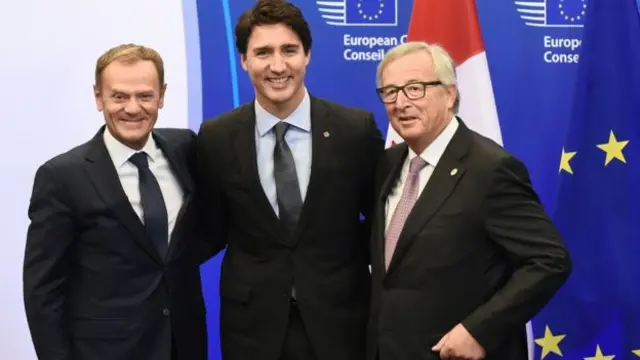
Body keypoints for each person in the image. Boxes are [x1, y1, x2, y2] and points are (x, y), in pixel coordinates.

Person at [195, 1, 384, 359]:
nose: (277, 66)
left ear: (307, 55)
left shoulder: (354, 130)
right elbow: (209, 228)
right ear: (244, 60)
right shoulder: (216, 137)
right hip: (252, 328)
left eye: (289, 50)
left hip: (341, 321)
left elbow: (380, 220)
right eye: (263, 52)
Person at [367, 41, 572, 360]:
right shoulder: (388, 164)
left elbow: (550, 261)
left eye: (415, 88)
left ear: (449, 94)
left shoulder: (491, 169)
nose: (400, 102)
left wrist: (480, 330)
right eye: (390, 92)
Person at [23, 44, 207, 360]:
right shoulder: (62, 176)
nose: (132, 108)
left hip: (184, 345)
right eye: (119, 96)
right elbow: (43, 289)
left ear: (161, 96)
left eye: (145, 96)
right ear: (99, 97)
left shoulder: (185, 148)